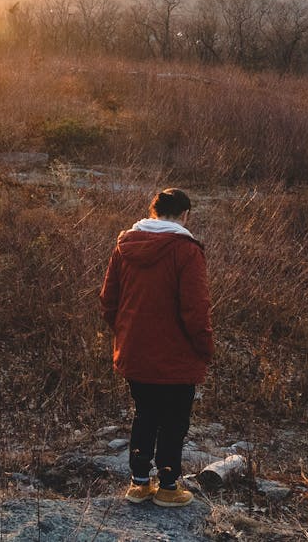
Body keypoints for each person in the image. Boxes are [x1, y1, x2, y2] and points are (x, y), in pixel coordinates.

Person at [99, 188, 213, 507]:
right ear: (185, 215)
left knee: (145, 413)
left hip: (135, 351)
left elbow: (109, 302)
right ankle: (167, 486)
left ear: (153, 212)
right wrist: (205, 347)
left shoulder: (125, 246)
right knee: (174, 420)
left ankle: (138, 484)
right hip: (177, 356)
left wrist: (127, 333)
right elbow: (196, 309)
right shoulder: (186, 251)